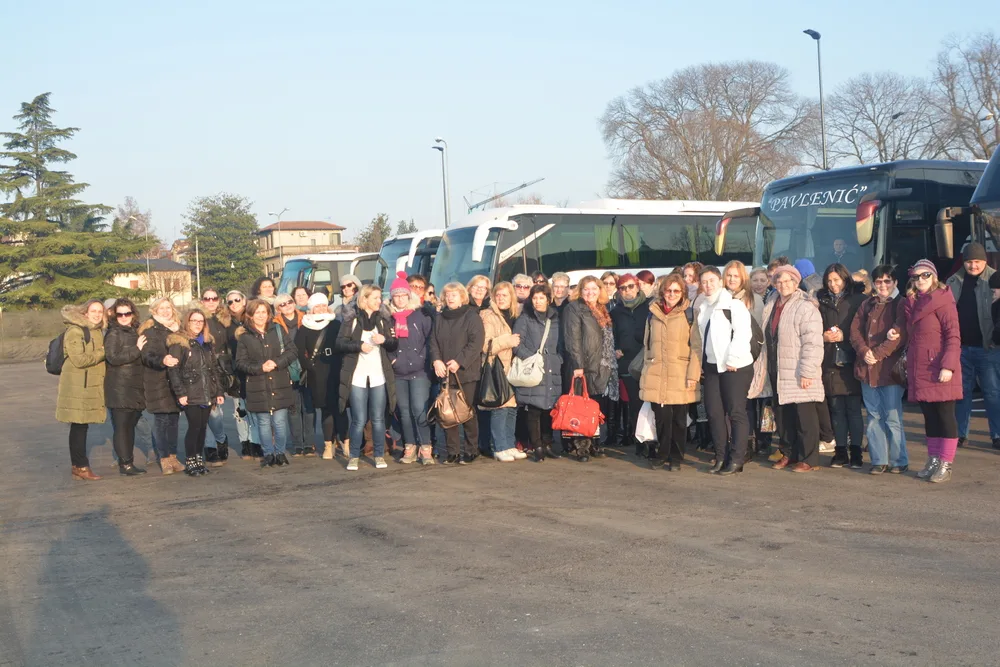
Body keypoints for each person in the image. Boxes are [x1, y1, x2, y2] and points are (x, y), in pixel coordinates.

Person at [894, 260, 963, 483]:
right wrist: (896, 332)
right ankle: (933, 459)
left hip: (940, 367)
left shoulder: (943, 300)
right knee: (930, 417)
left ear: (934, 277)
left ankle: (945, 463)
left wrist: (948, 366)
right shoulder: (912, 302)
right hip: (920, 367)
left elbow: (953, 336)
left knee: (945, 416)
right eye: (916, 276)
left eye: (925, 275)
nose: (920, 279)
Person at [765, 265, 826, 473]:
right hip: (777, 367)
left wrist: (808, 371)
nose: (783, 285)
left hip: (798, 369)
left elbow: (813, 342)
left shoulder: (805, 306)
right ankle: (788, 453)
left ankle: (809, 458)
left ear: (796, 282)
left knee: (804, 416)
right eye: (779, 281)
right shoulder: (771, 303)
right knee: (784, 416)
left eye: (788, 281)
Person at [638, 274, 702, 471]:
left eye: (676, 291)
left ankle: (676, 457)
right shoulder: (652, 313)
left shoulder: (690, 314)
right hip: (657, 372)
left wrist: (693, 375)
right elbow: (647, 345)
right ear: (662, 292)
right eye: (668, 290)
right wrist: (647, 368)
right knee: (661, 418)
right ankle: (662, 453)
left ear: (682, 293)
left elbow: (696, 347)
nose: (672, 294)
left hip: (680, 373)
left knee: (679, 420)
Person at [850, 265, 908, 475]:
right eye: (878, 281)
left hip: (890, 371)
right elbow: (854, 331)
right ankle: (878, 460)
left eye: (887, 281)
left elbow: (901, 335)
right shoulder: (867, 304)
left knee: (892, 416)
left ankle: (899, 460)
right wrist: (864, 351)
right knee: (874, 416)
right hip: (868, 369)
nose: (883, 285)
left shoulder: (901, 304)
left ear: (895, 282)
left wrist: (876, 354)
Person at [696, 267, 755, 475]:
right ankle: (721, 457)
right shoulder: (703, 307)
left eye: (712, 280)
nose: (708, 285)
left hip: (735, 367)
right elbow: (702, 340)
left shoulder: (734, 305)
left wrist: (732, 359)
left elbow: (743, 334)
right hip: (712, 367)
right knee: (714, 413)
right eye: (704, 282)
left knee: (736, 412)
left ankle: (737, 459)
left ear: (720, 282)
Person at [334, 285, 398, 471]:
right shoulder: (351, 320)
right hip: (357, 376)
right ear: (365, 299)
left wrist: (384, 340)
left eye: (379, 298)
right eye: (375, 298)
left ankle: (379, 455)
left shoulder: (384, 320)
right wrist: (359, 346)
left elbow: (394, 343)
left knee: (378, 419)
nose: (379, 301)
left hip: (379, 375)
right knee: (359, 419)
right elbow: (339, 343)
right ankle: (354, 456)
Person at [946, 242, 1000, 449]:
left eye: (977, 261)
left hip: (988, 348)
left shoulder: (995, 279)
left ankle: (997, 435)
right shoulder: (953, 281)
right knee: (962, 394)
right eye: (969, 261)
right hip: (961, 349)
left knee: (993, 393)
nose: (973, 266)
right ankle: (960, 434)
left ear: (985, 261)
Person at [234, 300, 298, 468]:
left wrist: (277, 362)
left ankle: (280, 453)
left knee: (279, 421)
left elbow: (292, 351)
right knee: (263, 422)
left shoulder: (277, 330)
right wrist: (260, 368)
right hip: (257, 384)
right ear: (250, 315)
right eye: (257, 312)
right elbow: (240, 363)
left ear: (269, 314)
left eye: (264, 312)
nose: (261, 316)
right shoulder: (245, 337)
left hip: (279, 381)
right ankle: (268, 453)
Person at [817, 263, 867, 469]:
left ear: (845, 279)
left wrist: (845, 335)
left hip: (852, 359)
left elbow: (865, 328)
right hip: (830, 360)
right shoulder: (821, 300)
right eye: (829, 281)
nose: (833, 284)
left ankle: (856, 452)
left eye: (836, 280)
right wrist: (823, 337)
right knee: (836, 410)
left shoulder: (859, 299)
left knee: (853, 409)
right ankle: (840, 452)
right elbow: (815, 327)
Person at [430, 282, 486, 464]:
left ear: (462, 297)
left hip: (466, 372)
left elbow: (476, 342)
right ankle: (452, 451)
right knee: (448, 412)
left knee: (466, 411)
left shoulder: (471, 316)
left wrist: (460, 361)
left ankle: (471, 449)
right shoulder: (439, 318)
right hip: (445, 372)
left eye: (454, 295)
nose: (450, 298)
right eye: (447, 295)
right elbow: (433, 341)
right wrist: (436, 360)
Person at [562, 275, 616, 461]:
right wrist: (578, 365)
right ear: (580, 291)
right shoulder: (574, 308)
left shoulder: (601, 308)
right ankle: (581, 447)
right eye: (586, 289)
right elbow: (572, 339)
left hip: (600, 365)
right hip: (583, 365)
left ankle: (594, 443)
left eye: (594, 289)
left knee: (594, 407)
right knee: (580, 408)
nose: (590, 292)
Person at [167, 308, 225, 476]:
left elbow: (214, 369)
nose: (198, 324)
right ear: (188, 322)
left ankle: (199, 459)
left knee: (202, 428)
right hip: (190, 391)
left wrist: (219, 391)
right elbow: (173, 371)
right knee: (194, 427)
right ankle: (191, 460)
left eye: (201, 321)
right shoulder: (179, 343)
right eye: (194, 321)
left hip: (207, 392)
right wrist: (180, 393)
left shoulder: (207, 343)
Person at [55, 299, 108, 481]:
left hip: (89, 385)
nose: (97, 314)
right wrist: (103, 351)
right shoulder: (75, 331)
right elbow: (79, 360)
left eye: (100, 311)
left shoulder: (96, 331)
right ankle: (81, 466)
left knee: (81, 426)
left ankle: (78, 466)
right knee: (79, 425)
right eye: (93, 311)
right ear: (85, 312)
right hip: (78, 387)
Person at [386, 272, 435, 465]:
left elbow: (431, 339)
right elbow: (385, 343)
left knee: (419, 409)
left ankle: (426, 446)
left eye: (403, 295)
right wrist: (392, 359)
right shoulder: (388, 317)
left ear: (409, 296)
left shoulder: (420, 314)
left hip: (419, 371)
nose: (399, 299)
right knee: (404, 411)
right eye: (396, 296)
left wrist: (423, 359)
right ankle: (410, 445)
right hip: (398, 372)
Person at [512, 284, 563, 462]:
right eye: (535, 298)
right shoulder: (525, 318)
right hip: (533, 369)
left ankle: (548, 444)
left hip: (552, 369)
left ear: (548, 299)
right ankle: (537, 446)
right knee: (533, 409)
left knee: (549, 408)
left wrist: (558, 359)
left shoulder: (555, 318)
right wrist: (532, 358)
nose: (538, 301)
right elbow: (517, 344)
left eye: (542, 298)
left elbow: (561, 343)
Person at [479, 281, 526, 462]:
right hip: (497, 368)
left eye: (504, 295)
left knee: (512, 408)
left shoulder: (516, 314)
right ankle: (499, 447)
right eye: (497, 295)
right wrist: (508, 341)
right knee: (500, 407)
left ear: (511, 297)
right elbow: (486, 345)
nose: (500, 298)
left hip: (513, 368)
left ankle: (509, 445)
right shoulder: (488, 315)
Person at [139, 298, 185, 475]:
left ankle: (173, 456)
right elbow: (147, 356)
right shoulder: (150, 331)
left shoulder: (178, 329)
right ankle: (164, 458)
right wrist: (162, 360)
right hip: (157, 380)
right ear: (154, 311)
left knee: (174, 420)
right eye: (161, 308)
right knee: (162, 420)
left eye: (168, 308)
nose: (166, 311)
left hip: (176, 381)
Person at [296, 292, 343, 460]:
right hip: (318, 371)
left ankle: (345, 442)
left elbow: (344, 344)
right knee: (326, 408)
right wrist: (310, 367)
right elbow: (299, 351)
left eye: (324, 305)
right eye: (317, 306)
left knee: (341, 407)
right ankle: (328, 444)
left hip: (336, 367)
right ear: (311, 309)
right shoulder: (305, 326)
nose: (321, 308)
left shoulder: (335, 323)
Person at [104, 298, 147, 476]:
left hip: (135, 386)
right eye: (119, 314)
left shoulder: (136, 330)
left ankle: (128, 461)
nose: (123, 317)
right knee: (122, 427)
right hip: (119, 387)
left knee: (130, 425)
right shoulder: (114, 333)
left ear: (133, 314)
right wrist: (137, 349)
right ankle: (126, 463)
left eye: (127, 313)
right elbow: (113, 358)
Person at [610, 273, 650, 455]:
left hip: (647, 360)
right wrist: (616, 348)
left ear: (637, 287)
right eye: (623, 288)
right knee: (635, 403)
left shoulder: (649, 306)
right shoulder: (616, 312)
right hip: (627, 362)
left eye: (631, 286)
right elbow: (611, 335)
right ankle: (639, 441)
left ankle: (652, 439)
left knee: (650, 401)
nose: (627, 290)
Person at [273, 293, 313, 457]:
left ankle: (309, 443)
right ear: (278, 308)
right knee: (294, 407)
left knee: (308, 406)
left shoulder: (306, 318)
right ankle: (297, 444)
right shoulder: (275, 324)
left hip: (306, 366)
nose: (287, 305)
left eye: (289, 301)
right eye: (282, 304)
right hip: (287, 368)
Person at [196, 288, 232, 466]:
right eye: (207, 298)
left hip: (220, 368)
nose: (210, 301)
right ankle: (210, 447)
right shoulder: (196, 318)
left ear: (219, 300)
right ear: (201, 300)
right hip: (201, 368)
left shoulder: (225, 319)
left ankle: (221, 438)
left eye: (214, 298)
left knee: (216, 412)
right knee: (205, 411)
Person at [224, 289, 262, 459]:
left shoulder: (252, 319)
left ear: (244, 301)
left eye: (237, 300)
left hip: (253, 369)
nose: (234, 304)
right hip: (235, 371)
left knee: (254, 408)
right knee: (239, 411)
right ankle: (245, 444)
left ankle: (256, 443)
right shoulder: (225, 324)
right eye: (230, 301)